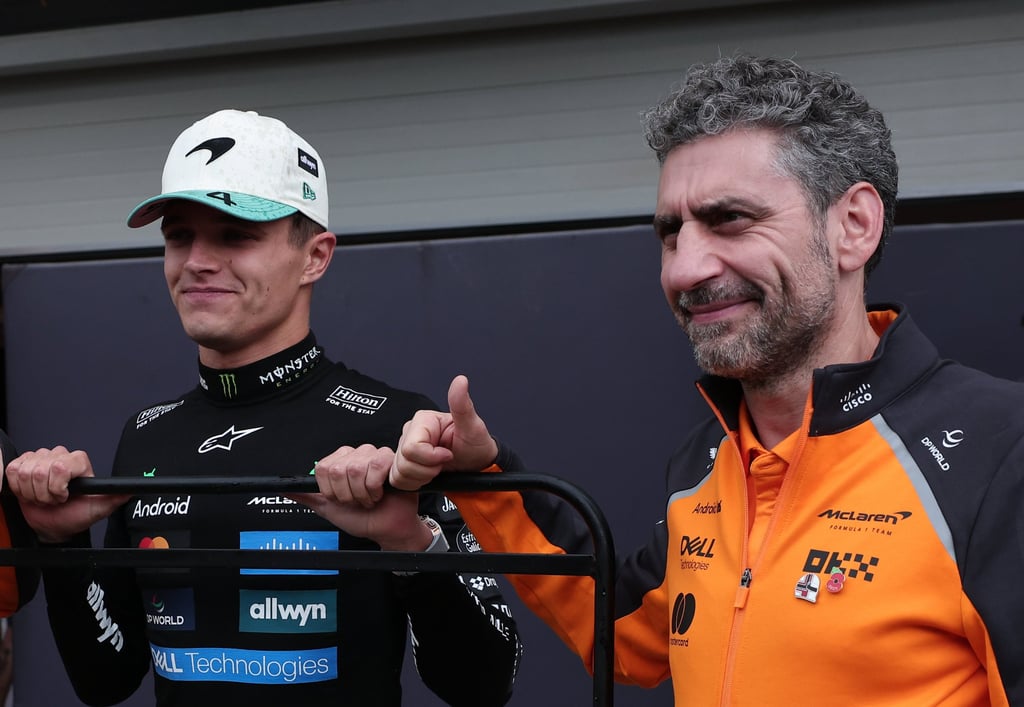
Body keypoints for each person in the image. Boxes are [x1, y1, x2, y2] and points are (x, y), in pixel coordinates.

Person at [365, 55, 1023, 704]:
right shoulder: (710, 457)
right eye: (671, 233)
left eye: (729, 219)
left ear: (853, 226)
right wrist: (484, 476)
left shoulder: (1000, 452)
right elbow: (624, 635)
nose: (685, 270)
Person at [4, 109, 521, 706]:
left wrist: (412, 545)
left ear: (315, 256)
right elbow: (105, 681)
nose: (197, 259)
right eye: (179, 235)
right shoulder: (147, 436)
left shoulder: (399, 428)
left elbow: (485, 683)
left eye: (235, 234)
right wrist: (62, 547)